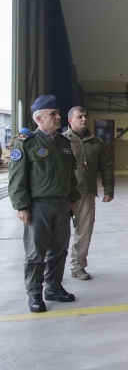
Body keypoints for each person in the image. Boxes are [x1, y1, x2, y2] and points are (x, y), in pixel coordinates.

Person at [8, 95, 80, 313]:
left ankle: (54, 287)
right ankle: (34, 293)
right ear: (38, 119)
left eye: (58, 113)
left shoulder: (64, 144)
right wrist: (22, 206)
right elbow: (16, 180)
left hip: (61, 205)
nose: (58, 117)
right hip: (38, 206)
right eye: (53, 114)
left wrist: (73, 199)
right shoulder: (26, 144)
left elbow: (70, 175)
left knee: (59, 250)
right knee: (35, 254)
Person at [63, 107, 115, 281]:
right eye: (79, 117)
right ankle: (52, 270)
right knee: (57, 234)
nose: (84, 119)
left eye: (85, 116)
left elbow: (106, 167)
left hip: (86, 193)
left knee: (84, 231)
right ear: (70, 120)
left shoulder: (96, 143)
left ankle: (78, 266)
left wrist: (109, 189)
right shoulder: (61, 141)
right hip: (62, 194)